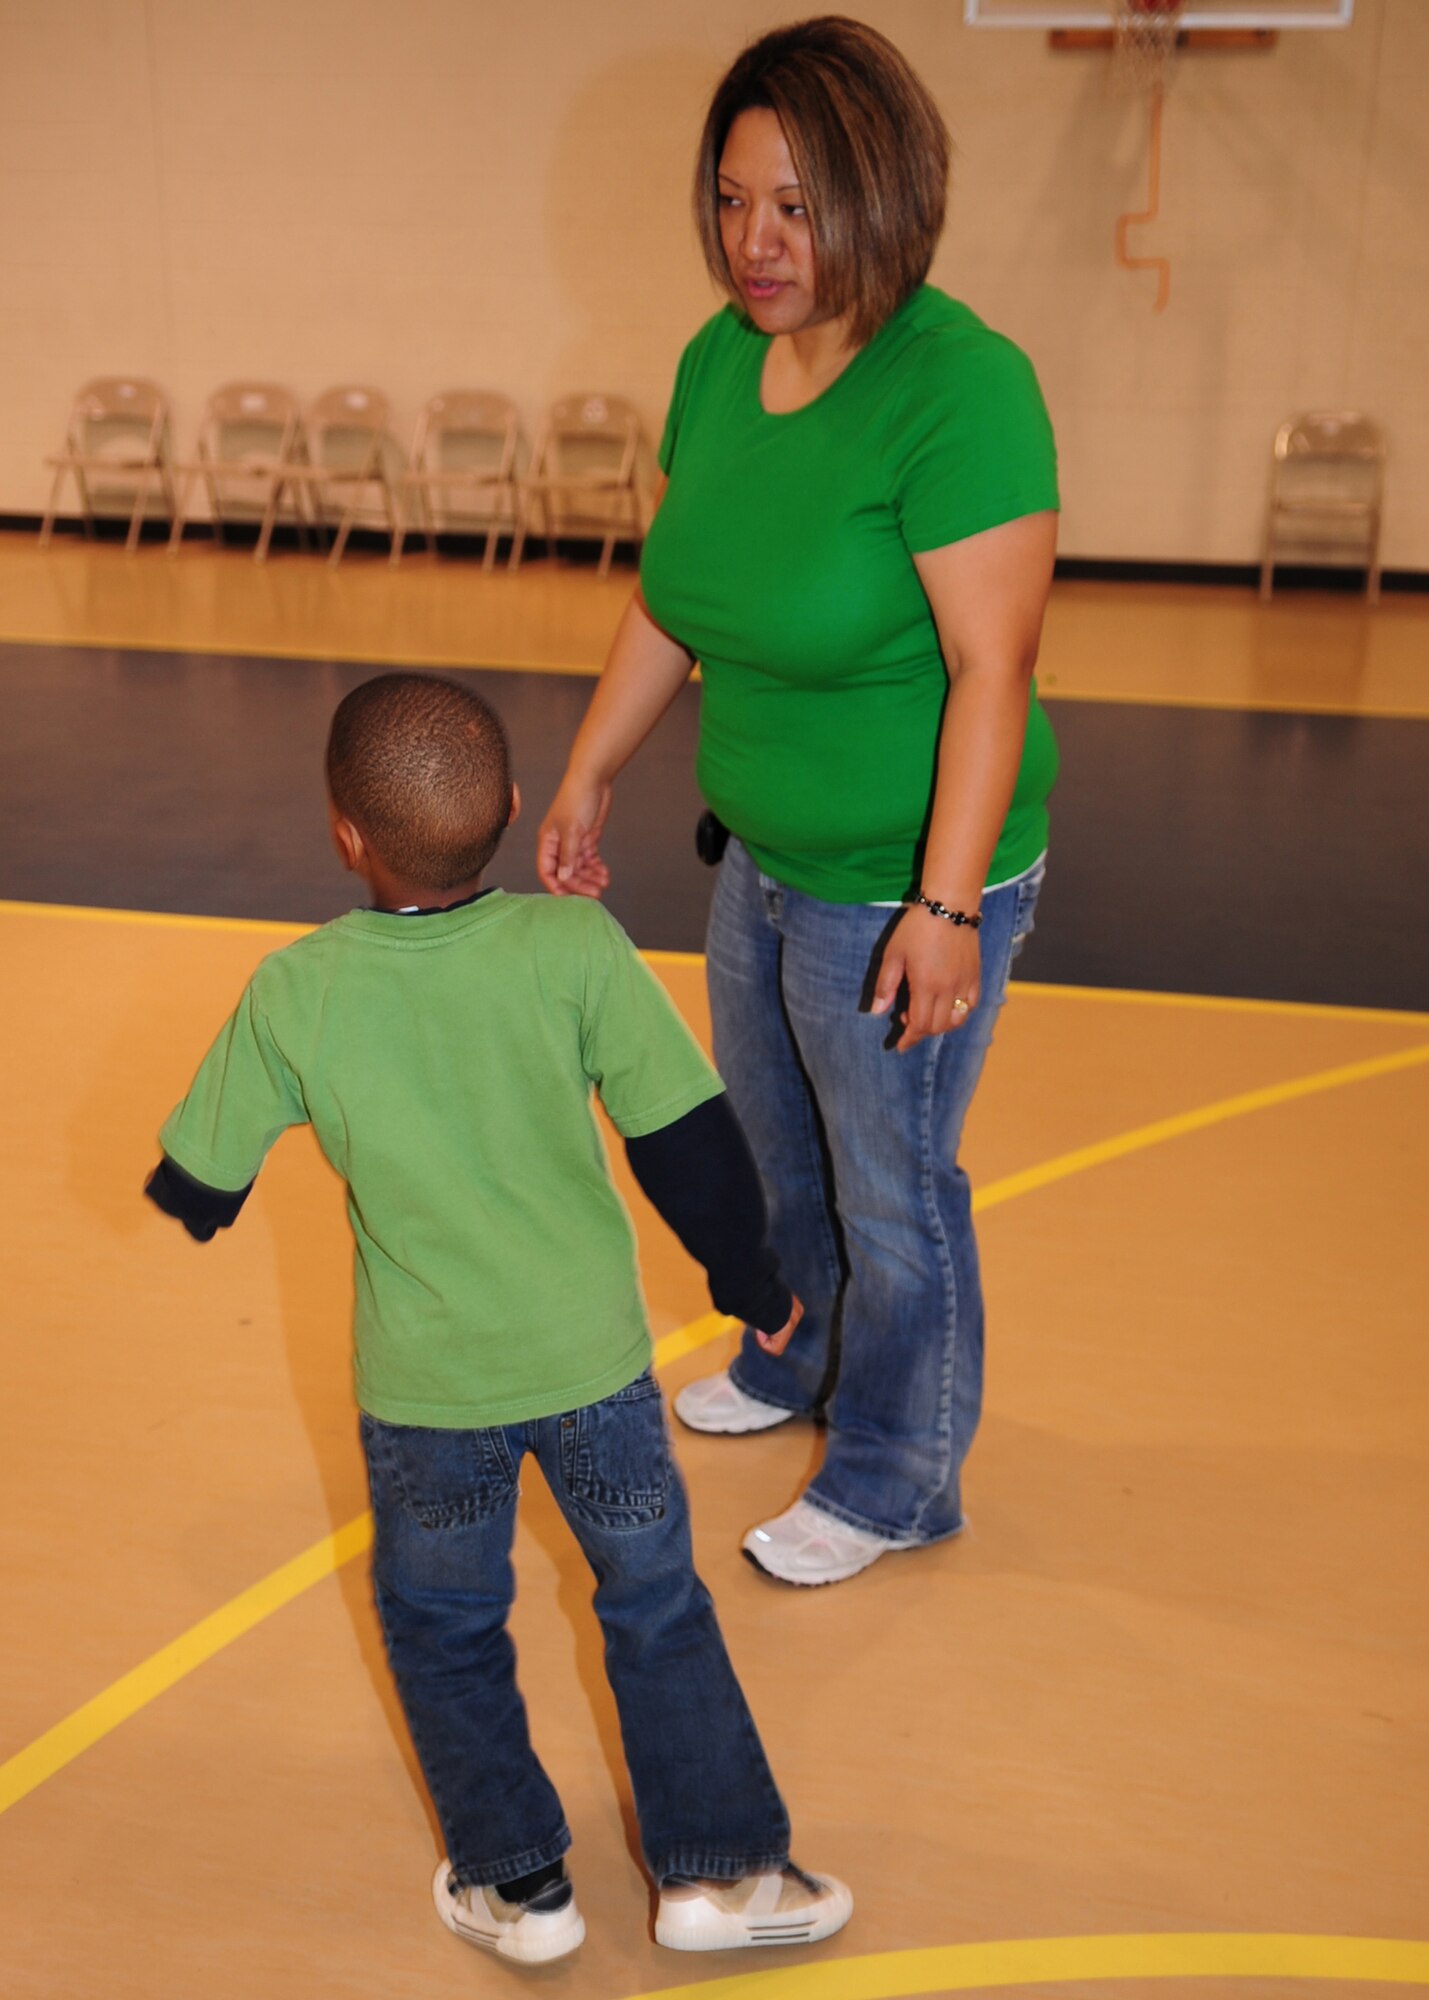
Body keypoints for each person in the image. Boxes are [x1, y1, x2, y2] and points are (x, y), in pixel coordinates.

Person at [144, 671, 852, 1967]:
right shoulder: (574, 948)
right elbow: (687, 1142)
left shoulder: (296, 989)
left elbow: (200, 1180)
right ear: (517, 809)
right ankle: (721, 1877)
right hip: (593, 1372)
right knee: (652, 1605)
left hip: (425, 1399)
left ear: (342, 832)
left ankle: (518, 1889)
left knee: (442, 1626)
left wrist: (191, 1190)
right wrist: (750, 1284)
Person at [539, 17, 1059, 1589]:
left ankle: (901, 1472)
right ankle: (797, 1354)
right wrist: (589, 764)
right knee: (774, 1150)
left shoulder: (960, 388)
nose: (754, 244)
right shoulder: (716, 362)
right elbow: (675, 598)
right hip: (761, 855)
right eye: (730, 199)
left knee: (893, 1182)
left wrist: (947, 904)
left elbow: (993, 666)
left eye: (796, 207)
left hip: (902, 876)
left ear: (883, 196)